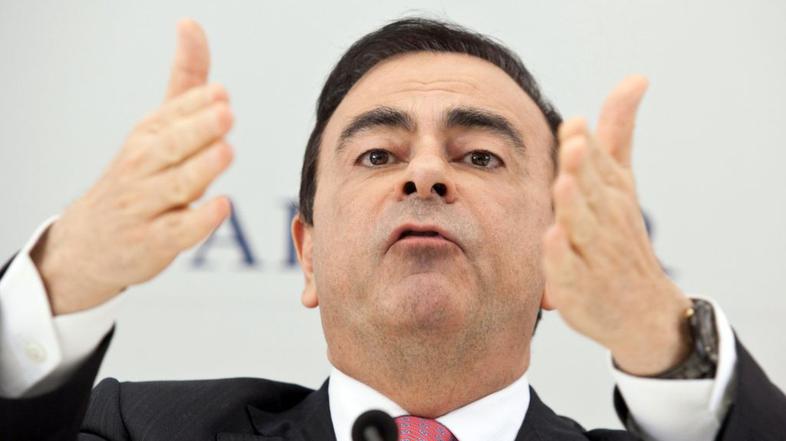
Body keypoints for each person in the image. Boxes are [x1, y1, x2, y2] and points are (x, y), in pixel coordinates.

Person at [0, 17, 784, 441]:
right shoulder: (132, 430)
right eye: (378, 153)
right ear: (308, 255)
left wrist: (667, 340)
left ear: (558, 257)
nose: (427, 174)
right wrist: (63, 274)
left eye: (480, 155)